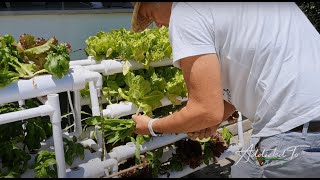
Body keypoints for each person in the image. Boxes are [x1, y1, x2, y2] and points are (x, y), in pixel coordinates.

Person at [130, 2, 320, 178]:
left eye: (150, 15)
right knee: (244, 172)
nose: (158, 25)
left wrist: (151, 127)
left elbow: (204, 110)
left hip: (294, 133)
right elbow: (256, 68)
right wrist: (212, 118)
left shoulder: (186, 11)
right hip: (304, 123)